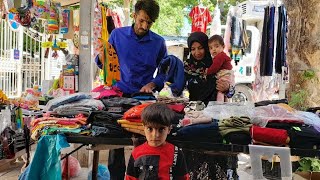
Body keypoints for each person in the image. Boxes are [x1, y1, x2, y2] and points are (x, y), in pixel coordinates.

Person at [97, 0, 167, 179]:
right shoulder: (117, 35)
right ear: (134, 15)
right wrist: (100, 57)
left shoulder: (159, 43)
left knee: (145, 143)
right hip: (118, 96)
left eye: (149, 23)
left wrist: (153, 84)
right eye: (142, 20)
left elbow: (164, 72)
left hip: (143, 99)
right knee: (116, 143)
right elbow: (103, 63)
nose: (144, 26)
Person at [125, 103, 190, 180]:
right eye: (150, 129)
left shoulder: (176, 152)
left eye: (161, 129)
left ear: (169, 129)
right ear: (144, 128)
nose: (155, 135)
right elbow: (130, 178)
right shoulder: (136, 153)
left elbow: (183, 178)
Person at [184, 31, 232, 105]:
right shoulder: (187, 67)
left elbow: (231, 93)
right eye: (193, 49)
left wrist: (227, 89)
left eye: (200, 48)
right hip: (194, 110)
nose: (197, 52)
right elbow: (180, 89)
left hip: (215, 111)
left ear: (206, 48)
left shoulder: (217, 63)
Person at [207, 34, 233, 102]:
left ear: (223, 46)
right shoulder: (189, 66)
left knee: (220, 93)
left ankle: (220, 105)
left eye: (216, 46)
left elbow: (231, 93)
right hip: (199, 107)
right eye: (211, 48)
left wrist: (227, 89)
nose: (214, 49)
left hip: (224, 75)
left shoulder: (219, 57)